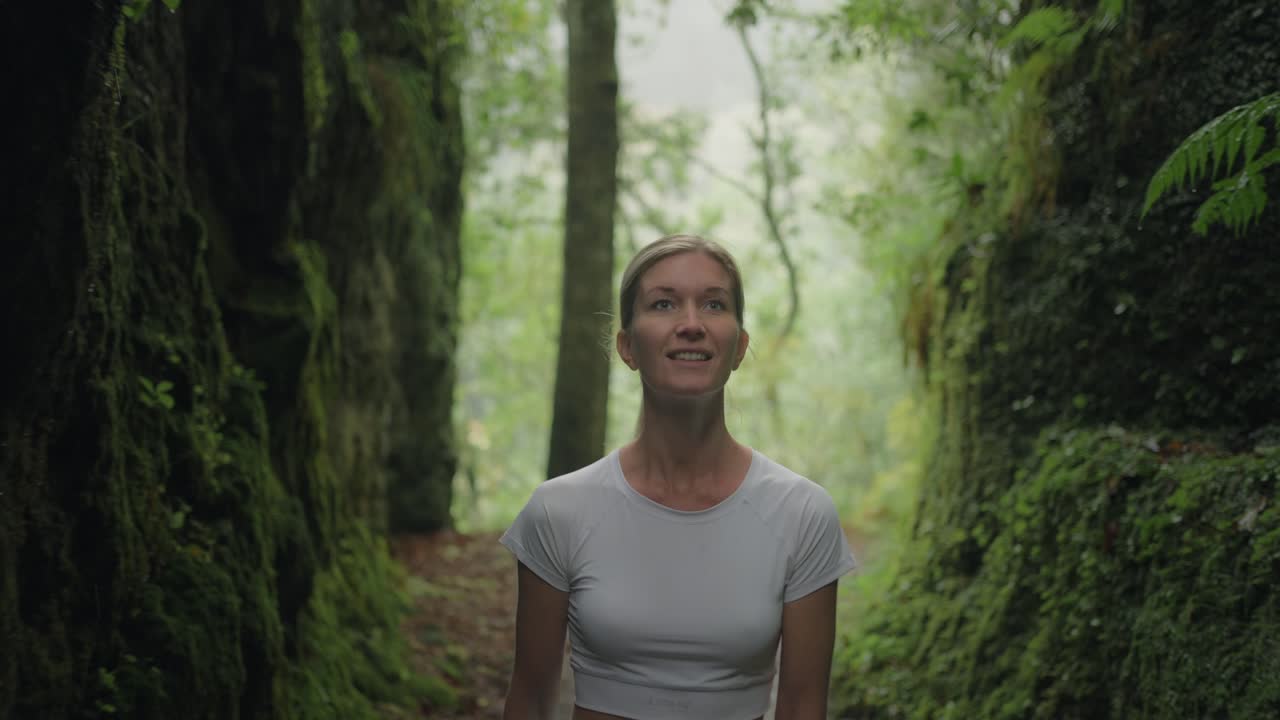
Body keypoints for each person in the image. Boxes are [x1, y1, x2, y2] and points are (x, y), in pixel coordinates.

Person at [500, 234, 857, 720]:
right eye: (664, 303)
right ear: (627, 347)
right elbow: (531, 699)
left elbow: (802, 707)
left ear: (739, 346)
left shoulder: (801, 514)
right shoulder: (559, 511)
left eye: (713, 304)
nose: (691, 324)